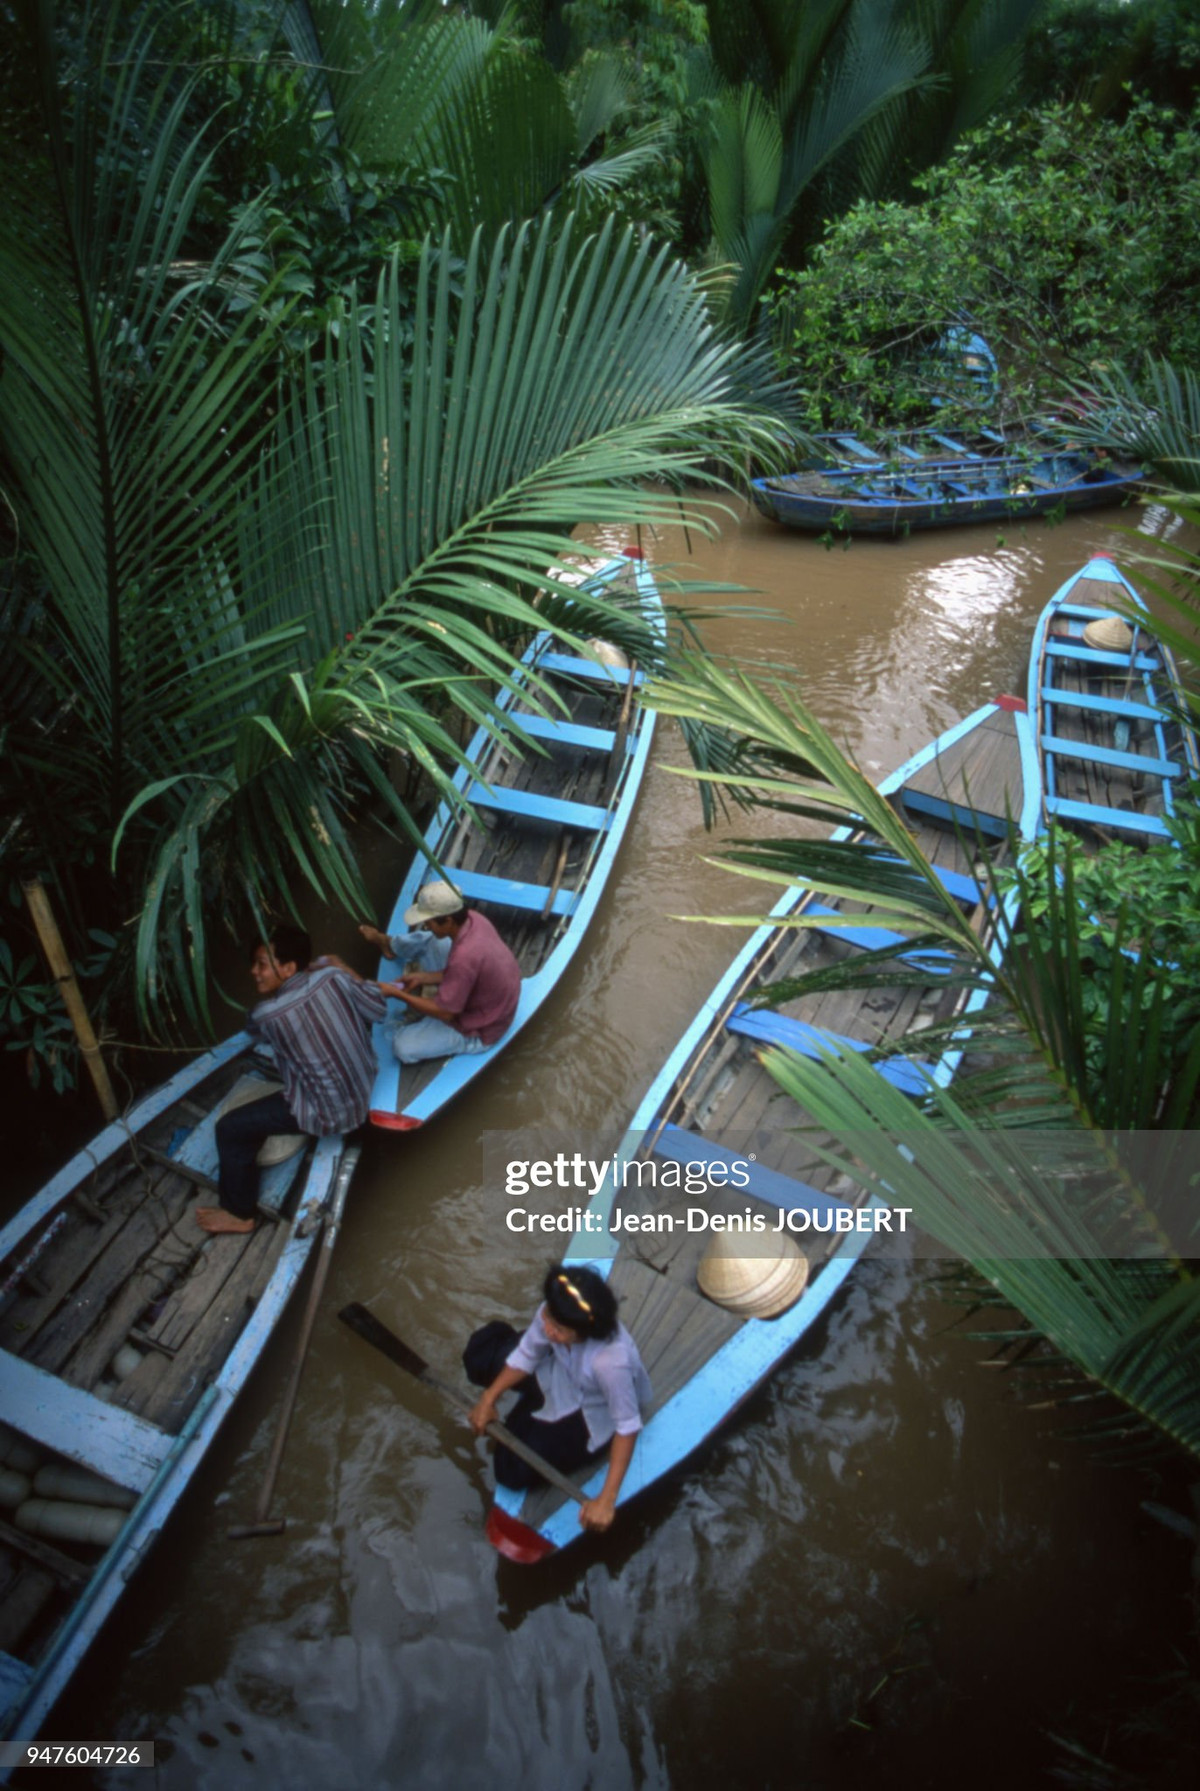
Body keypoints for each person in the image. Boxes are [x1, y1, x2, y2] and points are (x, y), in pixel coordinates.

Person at [200, 923, 388, 1236]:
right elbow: (378, 1008)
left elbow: (254, 1031)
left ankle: (239, 1213)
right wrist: (340, 968)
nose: (253, 972)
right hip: (364, 1088)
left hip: (329, 1114)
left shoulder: (267, 1014)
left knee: (230, 1129)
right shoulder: (334, 977)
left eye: (261, 964)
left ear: (288, 968)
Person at [464, 1264, 651, 1532]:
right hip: (558, 1371)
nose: (548, 1329)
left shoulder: (610, 1362)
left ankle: (539, 1423)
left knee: (510, 1470)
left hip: (591, 1409)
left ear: (585, 1331)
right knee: (479, 1355)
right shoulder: (551, 1314)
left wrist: (606, 1499)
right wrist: (488, 1398)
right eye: (549, 1319)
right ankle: (528, 1409)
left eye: (560, 1330)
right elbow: (528, 1353)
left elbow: (627, 1426)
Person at [360, 881, 521, 1065]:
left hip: (484, 1028)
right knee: (434, 941)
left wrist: (397, 993)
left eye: (429, 923)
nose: (427, 926)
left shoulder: (464, 959)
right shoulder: (473, 919)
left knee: (402, 1046)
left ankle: (437, 1027)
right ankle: (390, 944)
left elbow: (446, 1014)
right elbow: (467, 968)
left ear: (448, 920)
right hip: (489, 991)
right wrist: (424, 978)